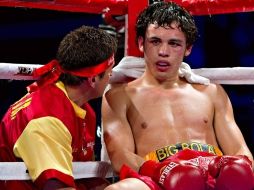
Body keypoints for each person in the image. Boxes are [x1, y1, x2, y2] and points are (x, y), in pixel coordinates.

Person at [102, 2, 254, 190]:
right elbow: (120, 156)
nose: (163, 52)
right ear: (142, 43)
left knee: (240, 172)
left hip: (212, 173)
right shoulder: (120, 96)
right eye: (155, 41)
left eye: (174, 43)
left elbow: (239, 149)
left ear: (187, 48)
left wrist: (235, 168)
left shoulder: (211, 92)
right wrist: (163, 171)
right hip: (155, 176)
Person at [0, 25, 117, 190]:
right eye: (109, 72)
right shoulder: (47, 119)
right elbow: (57, 187)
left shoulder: (81, 109)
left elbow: (84, 178)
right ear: (92, 80)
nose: (111, 77)